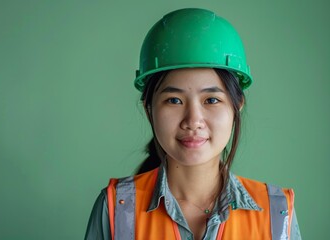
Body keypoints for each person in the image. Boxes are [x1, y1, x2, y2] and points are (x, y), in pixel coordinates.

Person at [85, 8, 301, 240]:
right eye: (174, 100)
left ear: (237, 105)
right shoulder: (117, 207)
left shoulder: (276, 214)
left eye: (211, 100)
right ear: (149, 108)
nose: (193, 121)